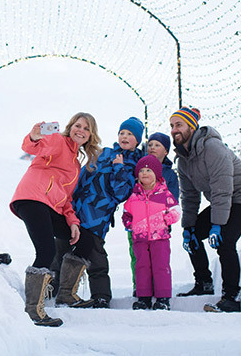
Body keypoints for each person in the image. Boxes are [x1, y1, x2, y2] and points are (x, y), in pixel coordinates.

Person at [10, 113, 102, 326]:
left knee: (84, 240)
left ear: (90, 135)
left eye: (86, 129)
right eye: (77, 125)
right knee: (46, 251)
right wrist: (34, 136)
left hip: (50, 206)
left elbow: (66, 198)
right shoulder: (58, 141)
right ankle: (34, 311)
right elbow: (34, 147)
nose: (81, 130)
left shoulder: (76, 164)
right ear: (70, 128)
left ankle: (67, 294)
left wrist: (72, 222)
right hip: (32, 198)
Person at [170, 107, 241, 312]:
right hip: (223, 199)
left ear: (192, 127)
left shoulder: (212, 148)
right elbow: (190, 197)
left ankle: (230, 298)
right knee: (193, 236)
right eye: (172, 126)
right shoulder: (184, 160)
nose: (174, 130)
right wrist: (188, 226)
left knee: (225, 241)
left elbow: (222, 189)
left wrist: (218, 225)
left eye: (179, 125)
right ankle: (204, 283)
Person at [61, 116, 144, 309]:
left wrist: (119, 168)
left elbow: (121, 193)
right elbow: (82, 176)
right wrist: (70, 200)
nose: (124, 136)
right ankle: (58, 290)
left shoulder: (134, 164)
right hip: (77, 209)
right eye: (122, 132)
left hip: (98, 216)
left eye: (130, 134)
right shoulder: (103, 153)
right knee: (63, 248)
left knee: (95, 255)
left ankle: (101, 296)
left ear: (137, 140)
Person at [122, 155, 180, 310]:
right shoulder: (134, 197)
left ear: (157, 173)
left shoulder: (164, 194)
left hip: (160, 238)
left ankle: (163, 298)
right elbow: (126, 213)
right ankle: (144, 297)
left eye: (149, 170)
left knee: (160, 266)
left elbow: (176, 211)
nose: (144, 173)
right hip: (140, 239)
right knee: (141, 266)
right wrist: (130, 224)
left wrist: (166, 220)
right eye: (141, 170)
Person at [147, 132, 179, 200]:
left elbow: (173, 200)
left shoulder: (170, 175)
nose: (152, 147)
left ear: (165, 152)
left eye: (157, 145)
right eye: (150, 145)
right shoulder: (140, 169)